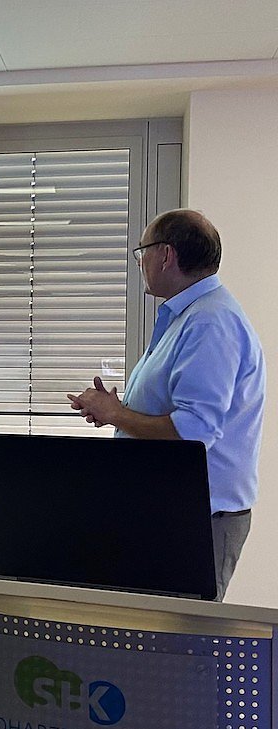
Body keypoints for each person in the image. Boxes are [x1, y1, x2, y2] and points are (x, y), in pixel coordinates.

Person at [68, 209, 264, 600]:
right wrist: (116, 412)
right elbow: (177, 414)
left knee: (181, 633)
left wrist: (116, 414)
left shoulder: (210, 322)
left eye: (142, 252)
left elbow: (193, 432)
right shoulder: (190, 316)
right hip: (174, 514)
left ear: (166, 255)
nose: (140, 262)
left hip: (199, 521)